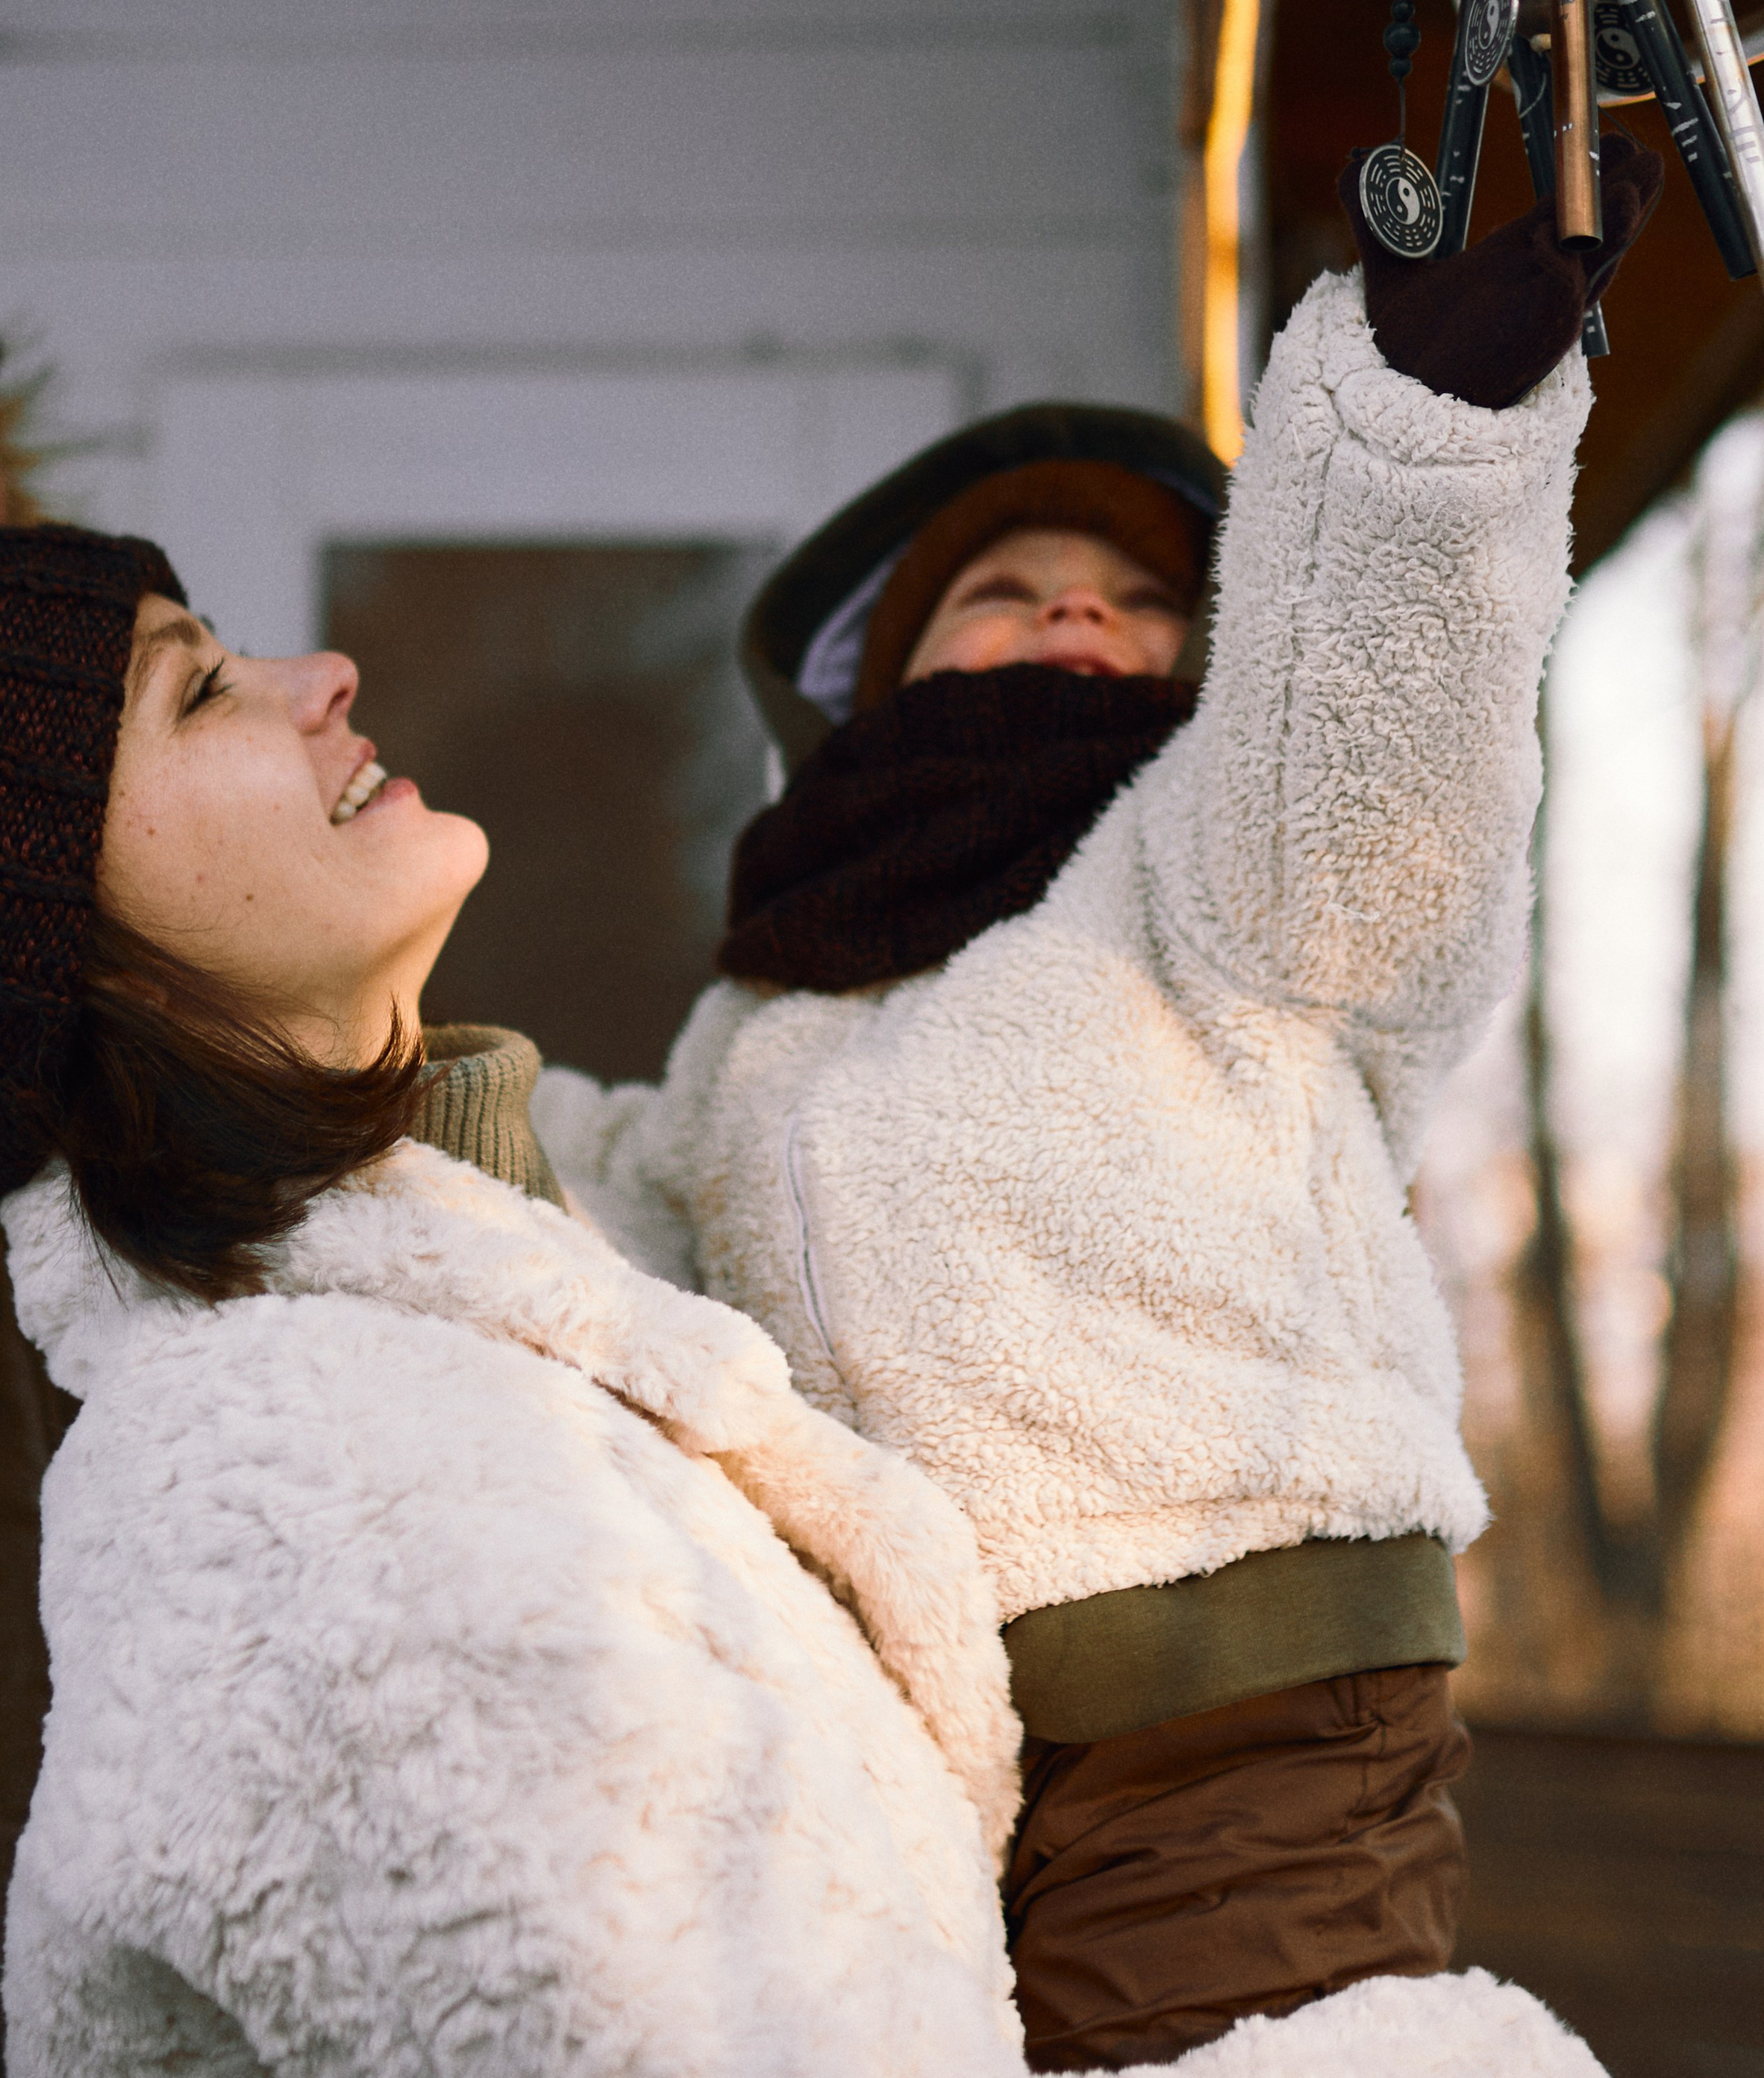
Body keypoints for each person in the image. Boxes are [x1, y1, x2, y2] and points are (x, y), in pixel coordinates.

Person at [0, 522, 1603, 2078]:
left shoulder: (530, 1280)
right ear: (76, 954)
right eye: (198, 690)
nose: (323, 674)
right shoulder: (292, 1487)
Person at [575, 139, 1665, 2069]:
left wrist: (1415, 444)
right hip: (910, 1725)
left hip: (1231, 1697)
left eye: (1142, 597)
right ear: (874, 680)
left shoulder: (1224, 875)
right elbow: (628, 1223)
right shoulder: (778, 1002)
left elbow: (1375, 747)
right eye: (1003, 590)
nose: (1074, 616)